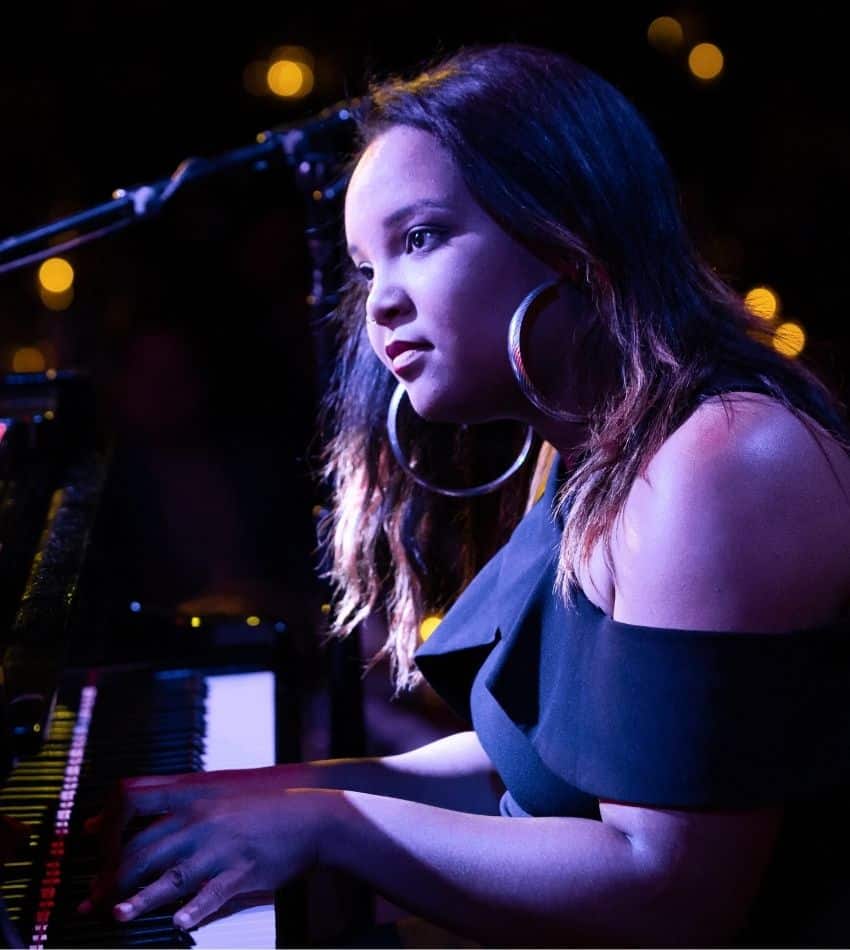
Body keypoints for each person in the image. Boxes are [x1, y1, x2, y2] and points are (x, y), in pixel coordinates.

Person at [79, 43, 850, 947]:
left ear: (567, 230)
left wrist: (330, 823)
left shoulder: (720, 456)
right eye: (367, 269)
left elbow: (671, 893)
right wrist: (276, 790)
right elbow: (525, 771)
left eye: (420, 238)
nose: (379, 306)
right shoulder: (595, 442)